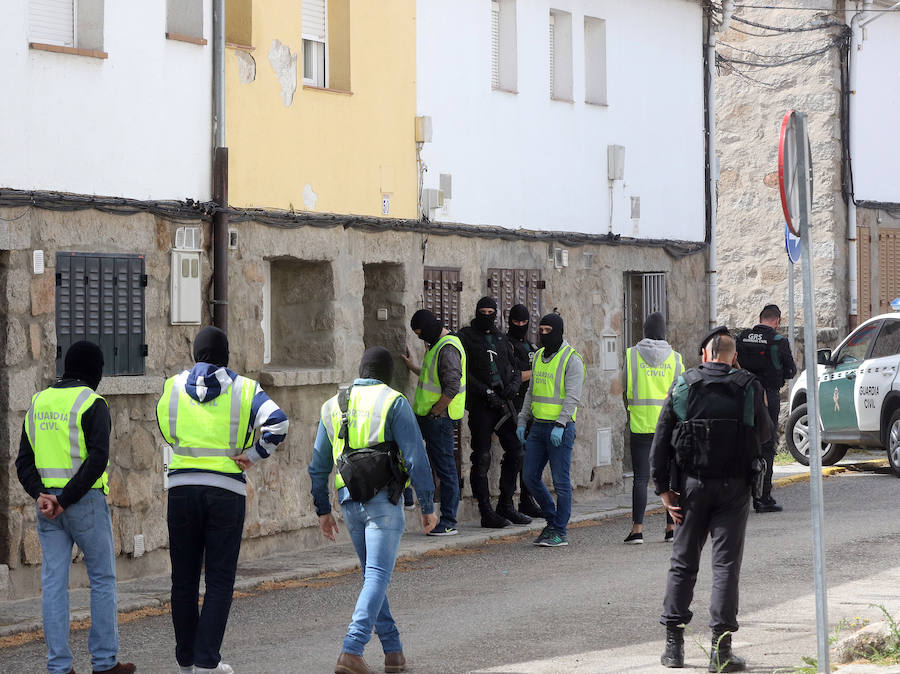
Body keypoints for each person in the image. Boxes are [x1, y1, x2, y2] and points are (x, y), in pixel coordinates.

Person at [156, 327, 289, 674]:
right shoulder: (246, 389)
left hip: (182, 490)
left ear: (195, 353)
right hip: (226, 492)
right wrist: (253, 455)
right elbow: (278, 423)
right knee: (218, 580)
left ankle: (185, 661)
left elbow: (166, 430)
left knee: (182, 580)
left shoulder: (172, 387)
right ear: (226, 356)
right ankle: (206, 662)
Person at [309, 347, 438, 674]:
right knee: (378, 576)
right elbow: (415, 458)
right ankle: (351, 650)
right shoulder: (394, 401)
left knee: (373, 578)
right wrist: (427, 505)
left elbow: (318, 466)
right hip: (383, 500)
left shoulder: (332, 405)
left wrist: (323, 510)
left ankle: (393, 652)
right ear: (388, 375)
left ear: (360, 369)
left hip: (349, 500)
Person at [651, 327, 772, 671]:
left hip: (690, 488)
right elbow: (764, 434)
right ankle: (721, 651)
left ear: (704, 355)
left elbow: (662, 438)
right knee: (725, 567)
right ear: (734, 357)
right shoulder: (749, 387)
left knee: (683, 563)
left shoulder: (684, 385)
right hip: (733, 489)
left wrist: (663, 489)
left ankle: (674, 649)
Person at [16, 341, 136, 674]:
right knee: (102, 579)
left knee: (53, 582)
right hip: (84, 503)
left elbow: (23, 462)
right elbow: (98, 458)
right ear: (94, 371)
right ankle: (104, 663)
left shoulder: (38, 402)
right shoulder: (92, 403)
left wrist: (42, 495)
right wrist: (65, 499)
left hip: (47, 508)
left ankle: (58, 667)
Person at [458, 297, 532, 528]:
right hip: (481, 406)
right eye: (483, 311)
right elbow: (463, 370)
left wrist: (511, 385)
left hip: (503, 404)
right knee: (482, 457)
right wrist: (484, 391)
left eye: (491, 311)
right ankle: (485, 510)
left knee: (518, 451)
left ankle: (506, 504)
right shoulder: (466, 336)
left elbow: (510, 366)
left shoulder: (501, 338)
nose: (487, 315)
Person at [516, 313, 584, 547]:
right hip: (538, 426)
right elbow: (531, 391)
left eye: (548, 330)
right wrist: (522, 420)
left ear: (558, 331)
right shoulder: (537, 358)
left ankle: (560, 531)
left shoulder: (571, 359)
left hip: (560, 429)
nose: (543, 334)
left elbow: (573, 397)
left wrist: (561, 424)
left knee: (561, 482)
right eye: (541, 330)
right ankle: (552, 519)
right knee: (529, 476)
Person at [401, 309, 465, 536]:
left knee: (446, 470)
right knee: (407, 455)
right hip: (427, 417)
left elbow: (451, 387)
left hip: (439, 420)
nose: (420, 338)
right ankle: (407, 498)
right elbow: (432, 378)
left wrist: (436, 412)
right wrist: (413, 367)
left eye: (420, 333)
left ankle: (448, 521)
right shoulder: (436, 345)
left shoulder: (447, 348)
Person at [622, 312, 682, 544]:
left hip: (640, 424)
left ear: (644, 331)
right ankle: (671, 529)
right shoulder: (675, 359)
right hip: (667, 427)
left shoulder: (631, 355)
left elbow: (626, 385)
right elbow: (681, 393)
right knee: (669, 479)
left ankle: (637, 530)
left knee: (640, 478)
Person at [736, 304, 797, 513]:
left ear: (760, 318)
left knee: (743, 443)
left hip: (743, 395)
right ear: (777, 321)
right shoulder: (779, 341)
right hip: (767, 397)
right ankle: (763, 497)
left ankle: (739, 495)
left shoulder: (742, 337)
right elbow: (791, 371)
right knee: (767, 444)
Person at [505, 304, 543, 518]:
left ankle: (527, 498)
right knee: (516, 455)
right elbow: (513, 375)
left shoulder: (530, 346)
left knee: (530, 456)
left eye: (524, 323)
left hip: (530, 406)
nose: (520, 326)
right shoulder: (506, 345)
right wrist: (535, 371)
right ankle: (508, 502)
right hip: (513, 407)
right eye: (516, 322)